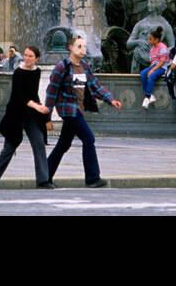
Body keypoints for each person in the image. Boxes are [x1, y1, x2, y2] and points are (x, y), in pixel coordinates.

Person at [44, 34, 122, 187]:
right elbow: (51, 93)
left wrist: (111, 99)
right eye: (79, 46)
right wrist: (47, 117)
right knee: (89, 138)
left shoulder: (85, 66)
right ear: (71, 48)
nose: (83, 50)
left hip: (79, 109)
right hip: (69, 111)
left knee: (63, 145)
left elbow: (95, 86)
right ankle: (92, 178)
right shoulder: (62, 67)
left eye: (84, 47)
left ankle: (44, 176)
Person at [0, 45, 53, 189]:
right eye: (26, 55)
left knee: (39, 143)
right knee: (10, 147)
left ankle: (43, 180)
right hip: (16, 114)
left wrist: (44, 116)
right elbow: (18, 96)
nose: (27, 58)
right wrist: (37, 106)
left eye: (30, 56)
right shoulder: (18, 72)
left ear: (37, 58)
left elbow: (33, 94)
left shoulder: (37, 72)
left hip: (30, 115)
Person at [140, 28, 170, 108]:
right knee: (143, 74)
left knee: (151, 76)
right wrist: (149, 69)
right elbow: (152, 61)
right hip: (154, 66)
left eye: (150, 39)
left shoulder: (163, 47)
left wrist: (152, 70)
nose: (149, 41)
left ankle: (147, 97)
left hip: (162, 67)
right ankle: (150, 96)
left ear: (156, 40)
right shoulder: (152, 49)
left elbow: (162, 62)